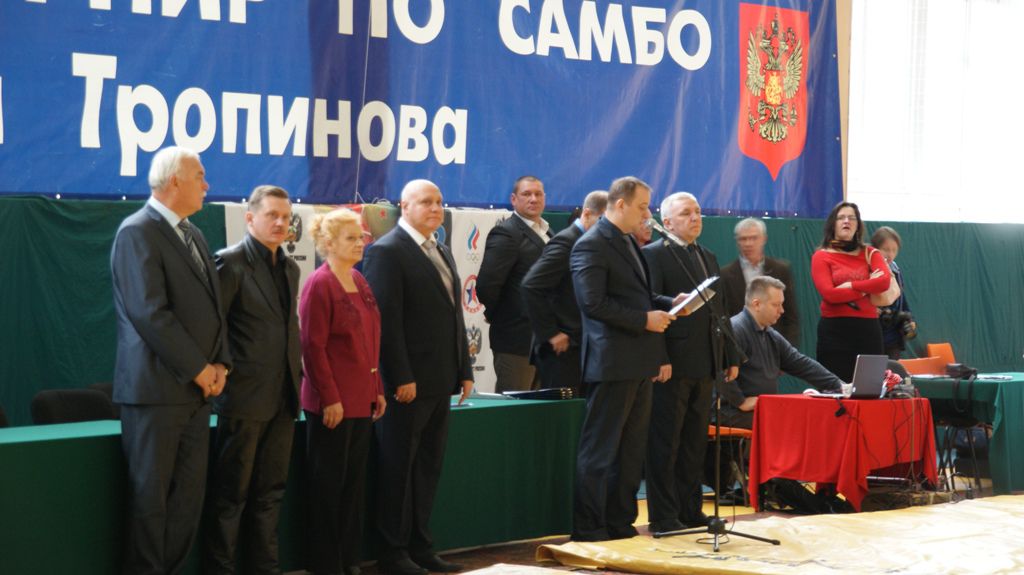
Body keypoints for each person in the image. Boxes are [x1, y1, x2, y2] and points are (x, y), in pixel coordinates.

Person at [110, 146, 231, 574]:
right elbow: (150, 313)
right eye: (200, 176)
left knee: (187, 503)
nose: (207, 185)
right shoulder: (137, 231)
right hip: (155, 393)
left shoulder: (193, 234)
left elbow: (215, 309)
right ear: (174, 180)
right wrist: (200, 369)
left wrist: (221, 364)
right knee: (151, 503)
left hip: (197, 396)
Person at [362, 179, 474, 575]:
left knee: (427, 468)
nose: (436, 208)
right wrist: (399, 377)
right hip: (406, 386)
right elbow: (386, 323)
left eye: (439, 201)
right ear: (404, 206)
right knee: (398, 469)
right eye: (426, 202)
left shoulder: (440, 249)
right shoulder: (387, 251)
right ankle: (392, 553)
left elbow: (454, 315)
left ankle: (420, 546)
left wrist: (464, 370)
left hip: (440, 381)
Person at [569, 176, 680, 542]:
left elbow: (639, 296)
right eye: (642, 207)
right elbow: (593, 303)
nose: (647, 214)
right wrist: (644, 320)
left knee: (631, 451)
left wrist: (670, 303)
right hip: (612, 362)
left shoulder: (628, 241)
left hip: (638, 361)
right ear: (619, 204)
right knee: (600, 449)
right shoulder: (591, 244)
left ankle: (620, 520)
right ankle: (589, 526)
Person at [204, 186, 302, 574]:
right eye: (272, 215)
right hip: (243, 399)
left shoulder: (291, 269)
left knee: (270, 494)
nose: (280, 223)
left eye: (286, 216)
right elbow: (213, 330)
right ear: (250, 218)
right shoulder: (229, 263)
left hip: (283, 399)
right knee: (231, 496)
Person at [642, 192, 741, 532]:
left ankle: (690, 509)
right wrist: (659, 357)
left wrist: (729, 354)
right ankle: (663, 515)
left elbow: (720, 309)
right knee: (666, 442)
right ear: (667, 222)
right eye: (686, 213)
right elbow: (650, 307)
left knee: (694, 442)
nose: (695, 218)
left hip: (704, 359)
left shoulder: (706, 255)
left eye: (697, 212)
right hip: (672, 363)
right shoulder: (653, 255)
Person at [300, 208, 387, 575]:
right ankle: (326, 564)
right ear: (329, 243)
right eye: (352, 238)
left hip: (361, 399)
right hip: (332, 403)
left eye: (362, 236)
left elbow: (370, 340)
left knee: (352, 487)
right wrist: (330, 397)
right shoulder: (319, 284)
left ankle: (349, 560)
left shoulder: (358, 279)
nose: (360, 243)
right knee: (328, 488)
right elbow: (312, 346)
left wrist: (377, 387)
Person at [720, 276, 844, 430]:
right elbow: (720, 371)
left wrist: (840, 386)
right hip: (730, 412)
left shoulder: (770, 335)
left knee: (804, 418)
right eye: (776, 305)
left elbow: (802, 364)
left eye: (781, 304)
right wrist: (741, 402)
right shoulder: (736, 329)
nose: (782, 310)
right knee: (790, 423)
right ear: (757, 304)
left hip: (762, 409)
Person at [520, 190, 608, 396]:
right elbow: (531, 286)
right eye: (602, 220)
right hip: (561, 350)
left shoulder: (593, 243)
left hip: (583, 346)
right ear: (587, 214)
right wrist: (551, 333)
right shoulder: (567, 242)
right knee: (560, 410)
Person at [477, 175, 550, 392]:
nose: (533, 199)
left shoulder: (548, 232)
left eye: (538, 194)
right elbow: (486, 286)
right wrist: (501, 315)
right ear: (513, 199)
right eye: (526, 194)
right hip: (515, 341)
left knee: (539, 407)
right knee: (515, 404)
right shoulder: (506, 233)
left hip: (544, 342)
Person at [810, 202, 891, 382]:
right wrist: (866, 288)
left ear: (858, 225)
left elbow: (884, 282)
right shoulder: (821, 256)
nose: (846, 221)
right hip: (834, 332)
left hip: (868, 330)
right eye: (841, 218)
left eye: (851, 218)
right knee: (833, 388)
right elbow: (830, 294)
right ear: (833, 224)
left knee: (869, 387)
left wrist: (851, 286)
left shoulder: (870, 253)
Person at [720, 217, 801, 347]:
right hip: (740, 348)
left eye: (753, 238)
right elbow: (725, 318)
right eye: (743, 239)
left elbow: (791, 317)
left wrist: (787, 351)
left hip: (775, 347)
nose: (748, 243)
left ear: (764, 239)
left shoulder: (781, 270)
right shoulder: (725, 275)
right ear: (737, 242)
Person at [871, 226, 916, 359]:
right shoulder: (868, 268)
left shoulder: (896, 270)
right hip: (874, 332)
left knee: (892, 369)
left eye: (894, 250)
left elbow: (901, 297)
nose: (890, 254)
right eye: (886, 249)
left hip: (893, 336)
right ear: (874, 249)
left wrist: (910, 318)